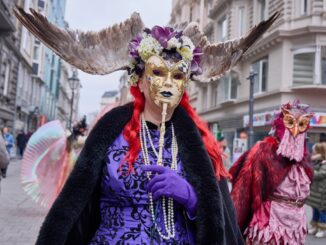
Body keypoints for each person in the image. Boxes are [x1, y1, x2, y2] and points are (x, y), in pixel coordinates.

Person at [15, 6, 278, 244]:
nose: (167, 83)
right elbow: (76, 202)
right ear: (139, 80)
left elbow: (217, 221)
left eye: (177, 76)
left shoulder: (199, 142)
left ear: (185, 85)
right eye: (158, 73)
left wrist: (192, 198)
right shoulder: (111, 131)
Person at [230, 101, 314, 244]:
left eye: (301, 124)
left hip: (296, 223)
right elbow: (242, 194)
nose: (294, 130)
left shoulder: (304, 158)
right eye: (290, 122)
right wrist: (233, 229)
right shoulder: (264, 151)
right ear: (280, 123)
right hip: (269, 223)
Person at [306, 142, 326, 238]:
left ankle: (322, 228)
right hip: (317, 193)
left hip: (322, 194)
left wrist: (311, 170)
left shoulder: (324, 164)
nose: (313, 154)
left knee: (322, 211)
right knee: (315, 210)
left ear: (321, 153)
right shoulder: (319, 162)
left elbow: (320, 175)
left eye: (315, 152)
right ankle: (315, 226)